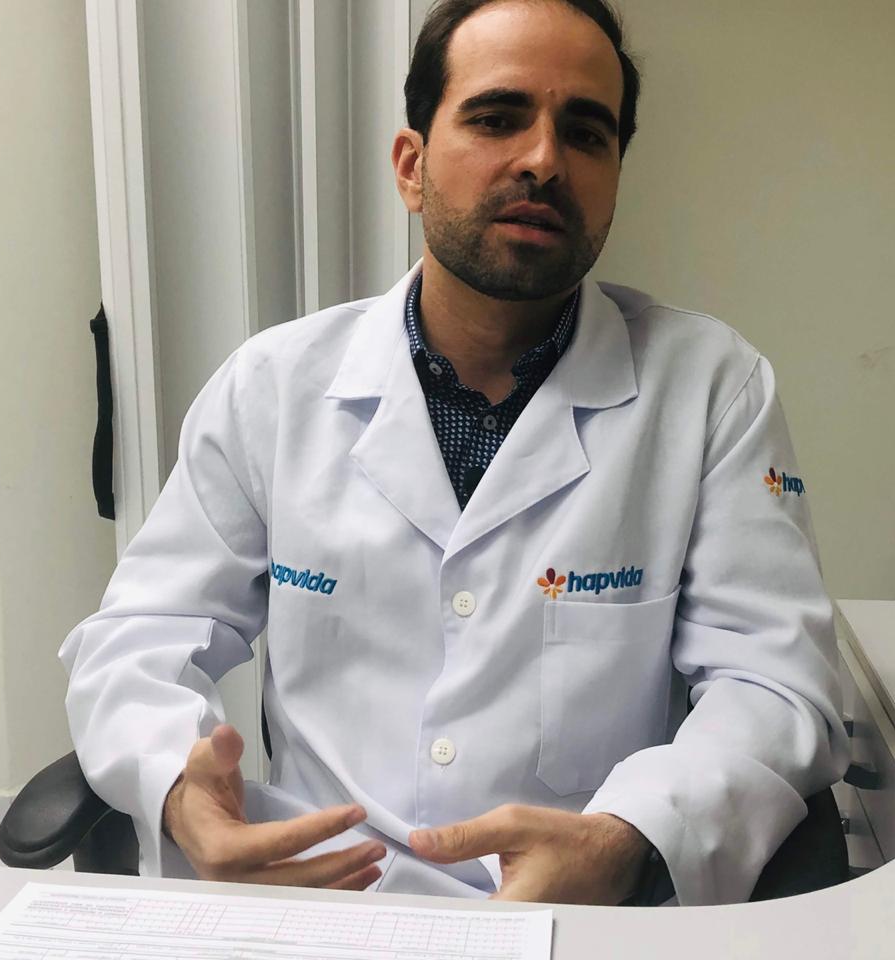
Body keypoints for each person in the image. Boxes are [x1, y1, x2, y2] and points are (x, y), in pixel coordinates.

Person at [60, 0, 849, 907]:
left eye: (585, 133)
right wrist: (177, 785)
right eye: (497, 117)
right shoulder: (273, 386)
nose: (544, 159)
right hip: (319, 896)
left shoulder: (711, 390)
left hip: (580, 912)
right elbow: (139, 636)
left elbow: (775, 683)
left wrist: (628, 838)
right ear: (412, 165)